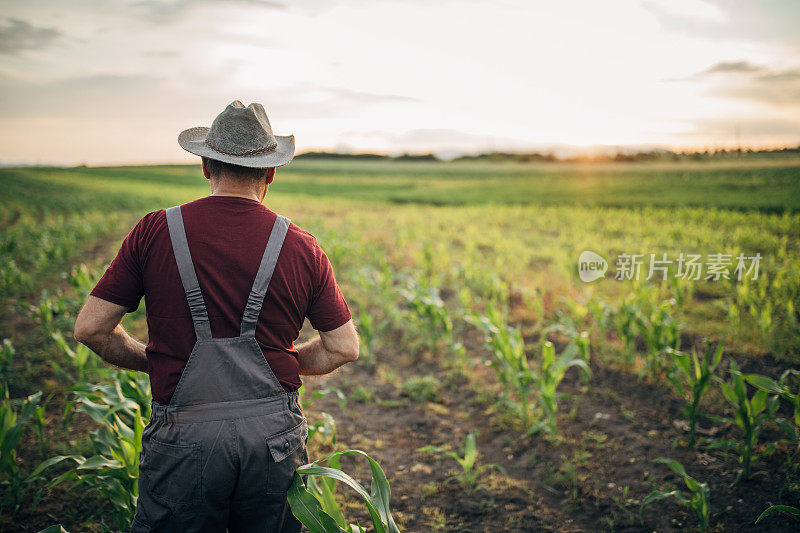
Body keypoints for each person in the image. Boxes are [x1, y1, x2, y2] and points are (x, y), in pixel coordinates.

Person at [73, 100, 359, 532]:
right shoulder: (302, 246)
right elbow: (343, 347)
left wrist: (156, 360)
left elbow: (91, 328)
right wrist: (274, 361)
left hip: (184, 434)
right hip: (272, 439)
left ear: (206, 166)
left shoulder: (155, 230)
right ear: (271, 172)